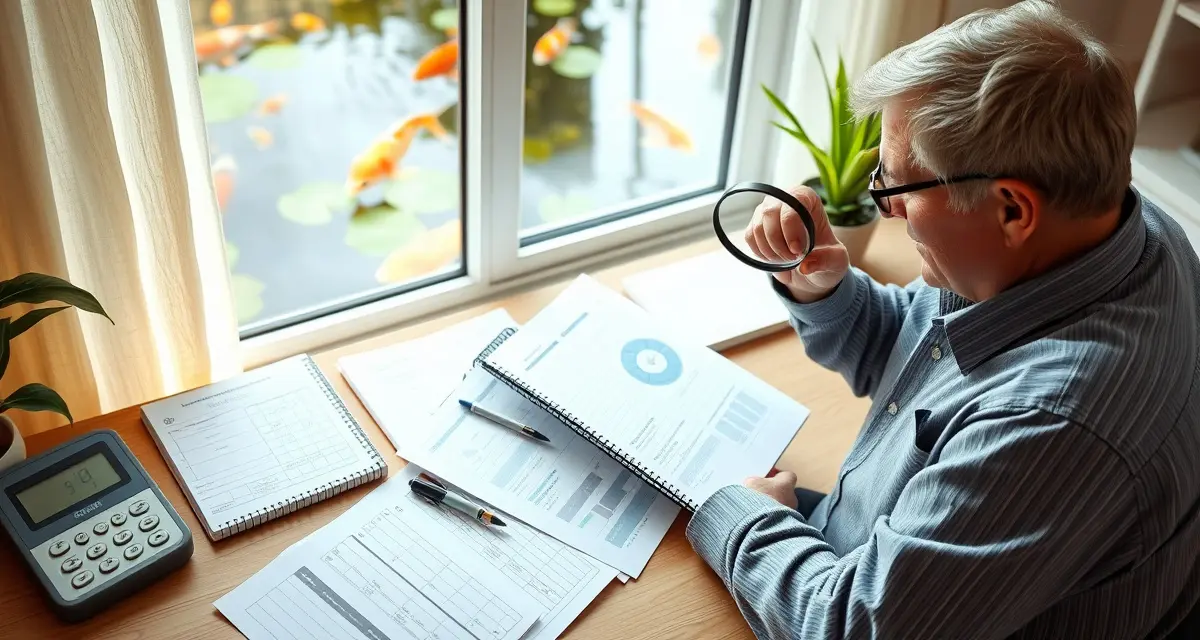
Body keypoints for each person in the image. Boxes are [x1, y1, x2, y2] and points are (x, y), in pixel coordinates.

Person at [685, 2, 1200, 638]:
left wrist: (743, 519)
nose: (888, 208)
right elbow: (935, 364)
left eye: (898, 185)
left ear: (1012, 209)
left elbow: (848, 628)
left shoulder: (1055, 423)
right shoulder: (1109, 225)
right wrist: (829, 293)